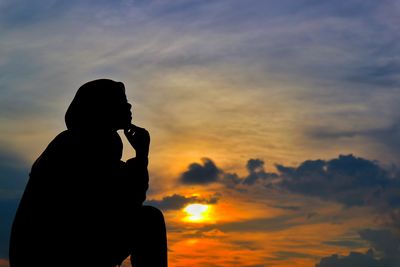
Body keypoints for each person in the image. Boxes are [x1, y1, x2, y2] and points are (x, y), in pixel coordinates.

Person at [9, 79, 168, 267]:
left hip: (64, 245)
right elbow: (126, 200)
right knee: (149, 220)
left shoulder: (94, 140)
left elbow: (125, 199)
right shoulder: (79, 143)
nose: (129, 105)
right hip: (50, 252)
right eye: (122, 101)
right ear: (102, 107)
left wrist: (141, 156)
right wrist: (141, 156)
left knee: (147, 219)